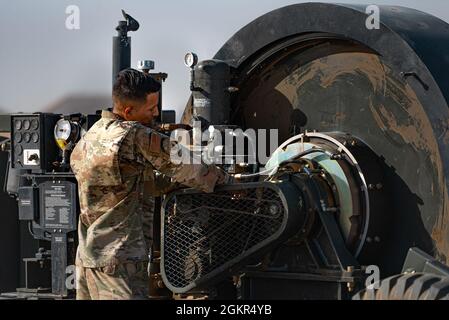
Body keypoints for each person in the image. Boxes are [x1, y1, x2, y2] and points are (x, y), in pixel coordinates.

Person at [70, 68, 229, 300]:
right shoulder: (134, 135)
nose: (156, 113)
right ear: (128, 111)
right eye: (150, 108)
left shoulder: (91, 136)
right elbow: (188, 166)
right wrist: (227, 180)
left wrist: (172, 184)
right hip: (120, 264)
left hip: (88, 260)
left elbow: (130, 185)